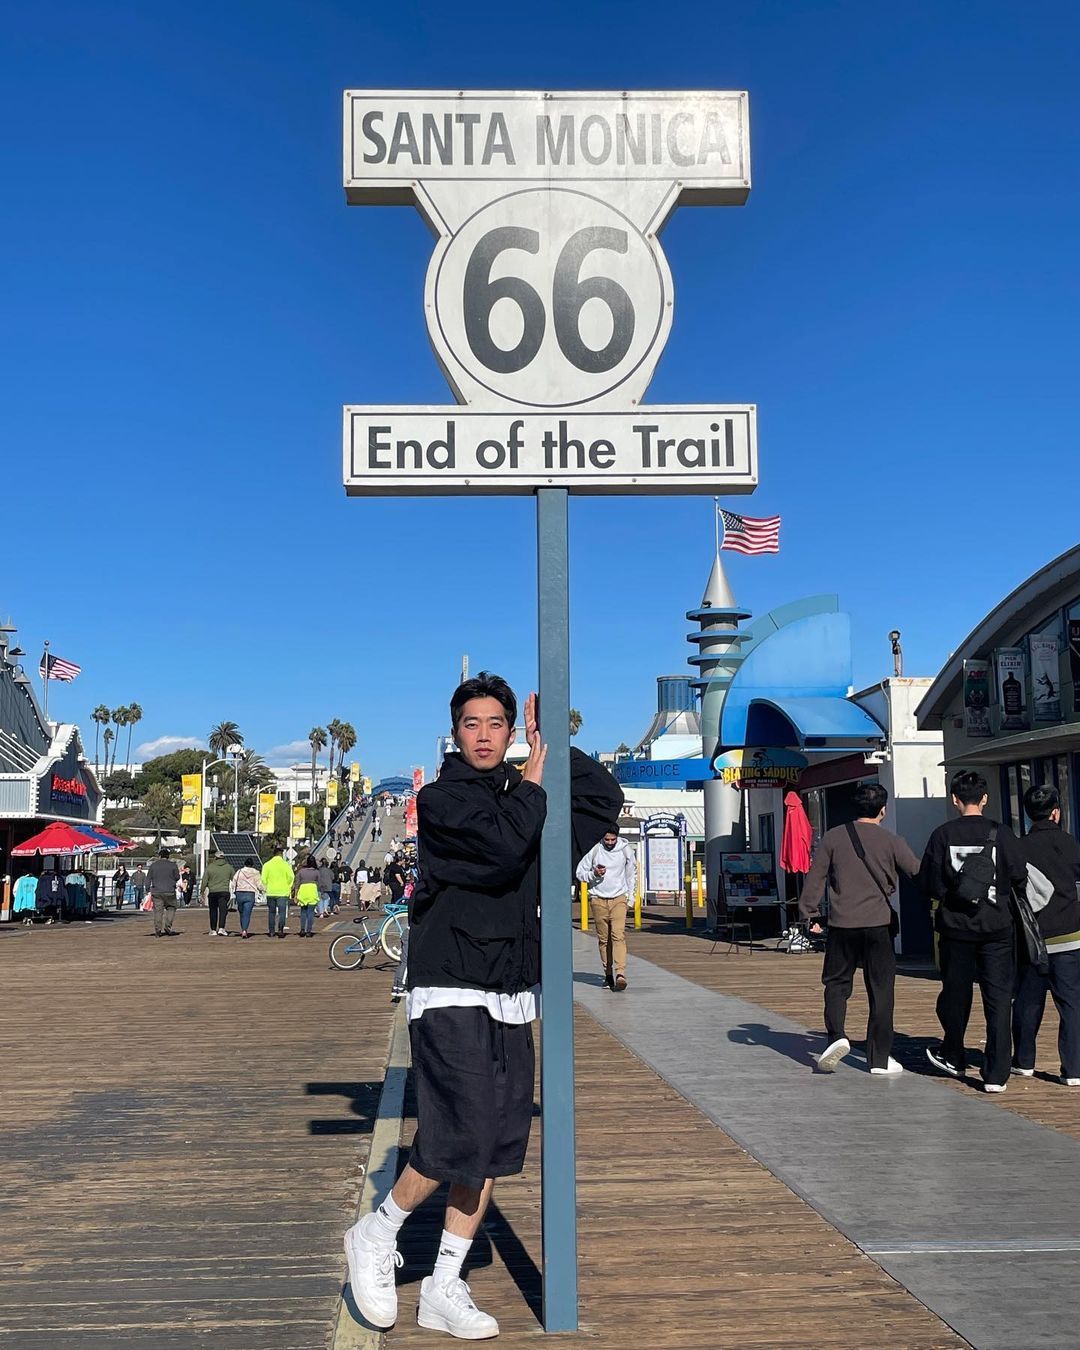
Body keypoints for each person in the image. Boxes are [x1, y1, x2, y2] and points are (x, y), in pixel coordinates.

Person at [344, 670, 620, 1337]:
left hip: (512, 989)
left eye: (498, 724)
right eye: (473, 724)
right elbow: (500, 851)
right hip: (450, 982)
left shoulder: (524, 792)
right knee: (459, 1132)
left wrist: (550, 743)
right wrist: (532, 785)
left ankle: (443, 1285)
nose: (486, 735)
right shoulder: (443, 800)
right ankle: (377, 1233)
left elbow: (602, 799)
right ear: (455, 733)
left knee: (494, 1142)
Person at [798, 783, 921, 1075]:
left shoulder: (833, 837)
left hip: (842, 924)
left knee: (836, 983)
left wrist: (809, 913)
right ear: (883, 810)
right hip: (878, 924)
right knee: (881, 990)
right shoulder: (892, 841)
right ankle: (879, 1059)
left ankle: (836, 1036)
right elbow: (917, 872)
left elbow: (816, 878)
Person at [920, 769, 1026, 1092]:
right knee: (999, 999)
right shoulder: (1002, 833)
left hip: (956, 928)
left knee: (956, 994)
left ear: (954, 799)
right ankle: (996, 1074)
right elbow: (1019, 875)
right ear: (985, 799)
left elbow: (930, 883)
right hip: (997, 928)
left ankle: (953, 1053)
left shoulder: (942, 835)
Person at [1012, 784, 1080, 1086]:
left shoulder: (1019, 847)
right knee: (1072, 1004)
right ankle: (1074, 1069)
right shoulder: (1070, 843)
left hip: (1032, 938)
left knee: (1027, 1002)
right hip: (1069, 935)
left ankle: (1024, 1061)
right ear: (1056, 813)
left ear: (1029, 815)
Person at [576, 826, 637, 992]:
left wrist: (631, 899)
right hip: (598, 899)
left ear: (617, 837)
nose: (610, 842)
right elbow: (580, 872)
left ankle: (620, 974)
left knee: (618, 935)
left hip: (619, 898)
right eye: (607, 839)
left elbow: (631, 875)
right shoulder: (595, 850)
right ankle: (608, 974)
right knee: (604, 939)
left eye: (613, 839)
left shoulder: (625, 850)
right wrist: (594, 874)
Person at [145, 847, 181, 938]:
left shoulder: (153, 865)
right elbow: (177, 877)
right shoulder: (173, 865)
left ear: (159, 856)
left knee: (158, 911)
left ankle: (158, 930)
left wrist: (147, 889)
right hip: (169, 890)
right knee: (171, 908)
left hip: (157, 891)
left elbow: (148, 878)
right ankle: (167, 926)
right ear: (168, 856)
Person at [262, 846, 294, 939]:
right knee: (282, 912)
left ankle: (271, 931)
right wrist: (288, 886)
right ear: (281, 855)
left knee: (271, 912)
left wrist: (267, 886)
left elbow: (263, 879)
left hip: (271, 892)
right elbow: (291, 877)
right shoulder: (286, 865)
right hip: (282, 892)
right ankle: (280, 928)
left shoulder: (267, 865)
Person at [202, 849, 235, 937]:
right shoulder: (229, 867)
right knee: (223, 911)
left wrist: (202, 892)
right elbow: (234, 879)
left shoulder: (210, 867)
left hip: (213, 892)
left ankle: (213, 930)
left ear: (215, 858)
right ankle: (221, 928)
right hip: (224, 892)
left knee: (213, 911)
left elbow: (204, 881)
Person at [232, 856, 265, 940]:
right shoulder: (256, 872)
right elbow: (259, 884)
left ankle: (243, 928)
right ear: (252, 864)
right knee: (247, 913)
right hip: (250, 893)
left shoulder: (239, 871)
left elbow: (234, 882)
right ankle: (244, 930)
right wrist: (265, 889)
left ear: (245, 864)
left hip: (239, 893)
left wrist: (234, 890)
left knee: (241, 912)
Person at [293, 854, 321, 936]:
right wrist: (319, 894)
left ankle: (302, 929)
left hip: (303, 891)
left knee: (303, 912)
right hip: (312, 891)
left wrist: (295, 895)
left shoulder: (301, 871)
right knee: (311, 913)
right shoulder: (316, 872)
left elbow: (297, 884)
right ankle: (309, 931)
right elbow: (319, 884)